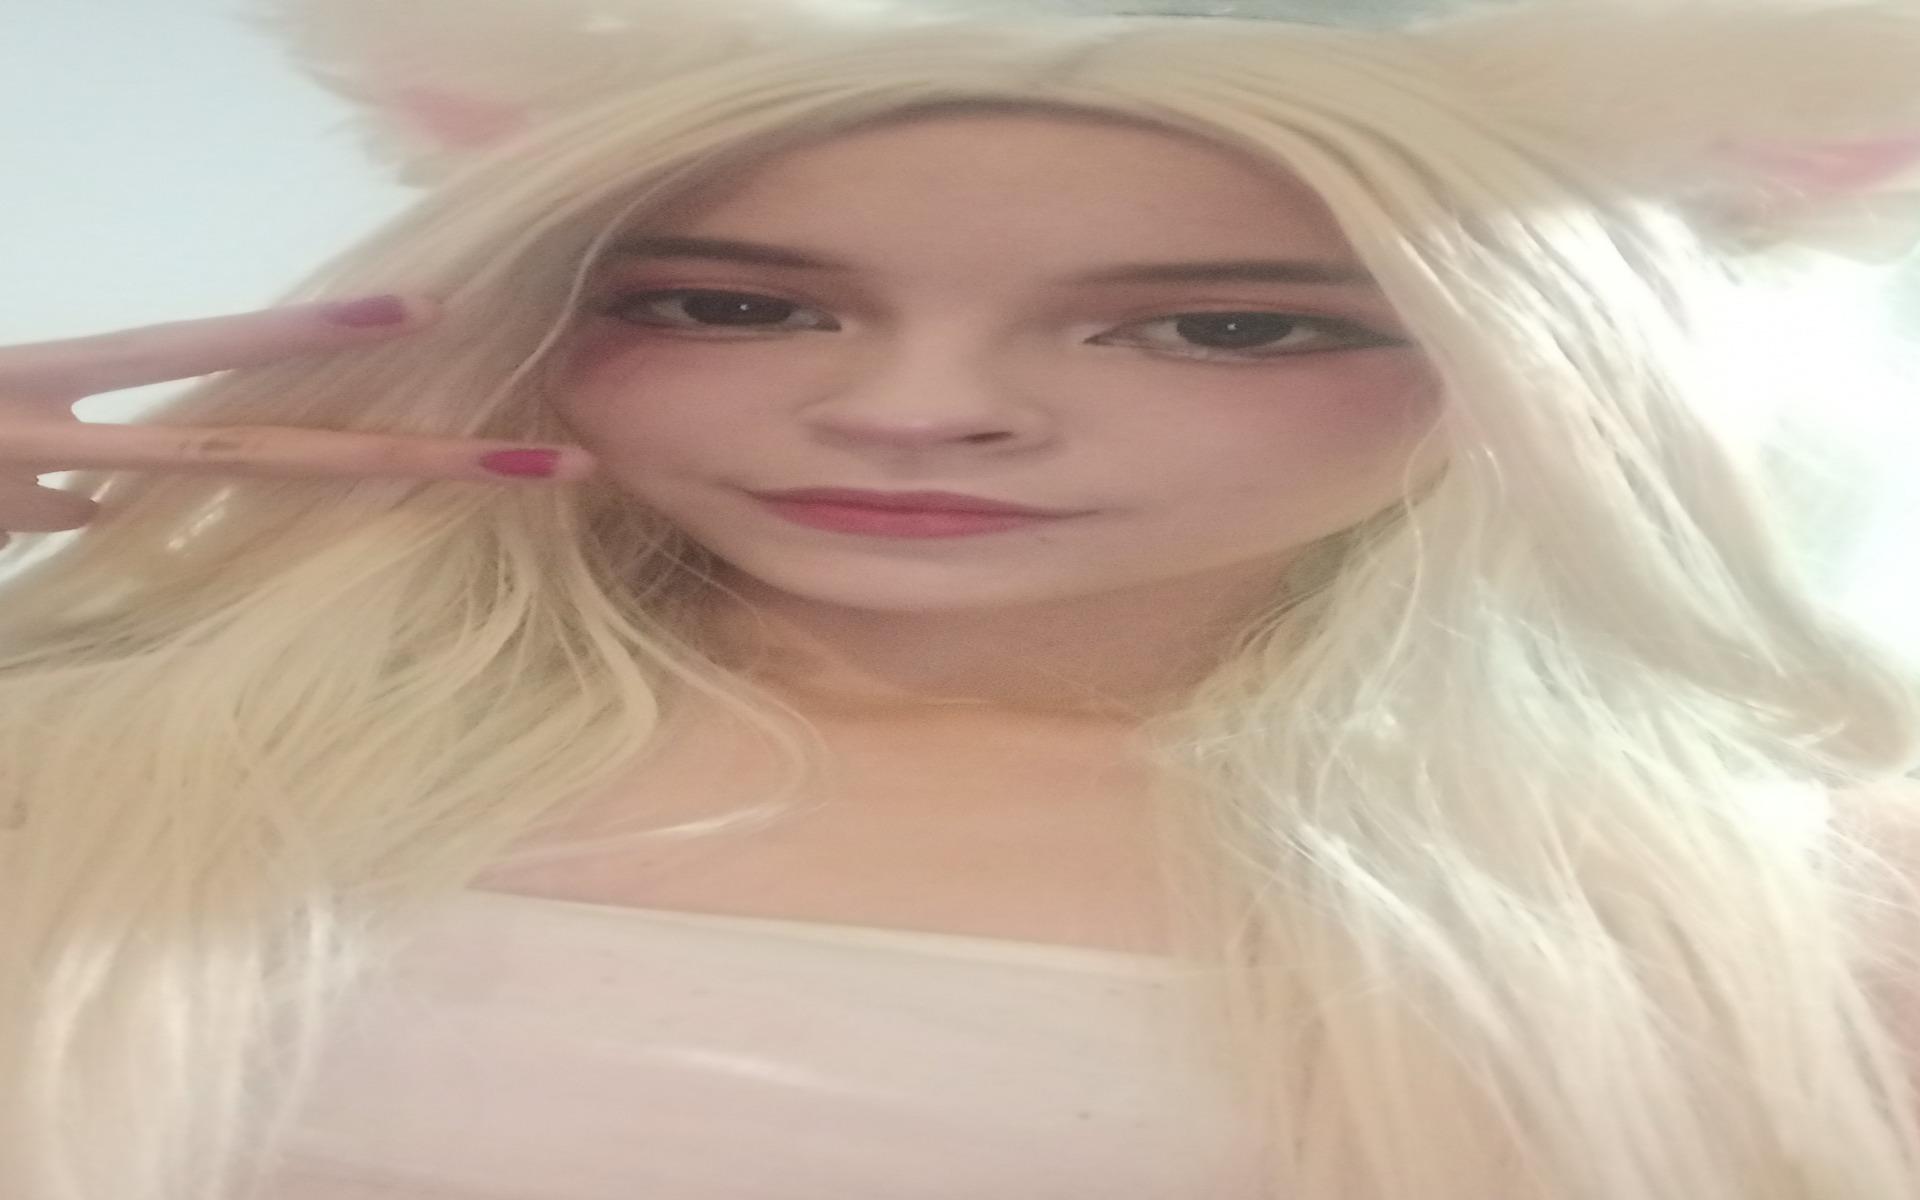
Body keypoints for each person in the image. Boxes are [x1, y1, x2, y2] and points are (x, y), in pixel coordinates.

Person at [3, 0, 1920, 1196]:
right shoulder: (97, 763)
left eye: (1223, 326)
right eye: (736, 304)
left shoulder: (1807, 907)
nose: (919, 411)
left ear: (1545, 361)